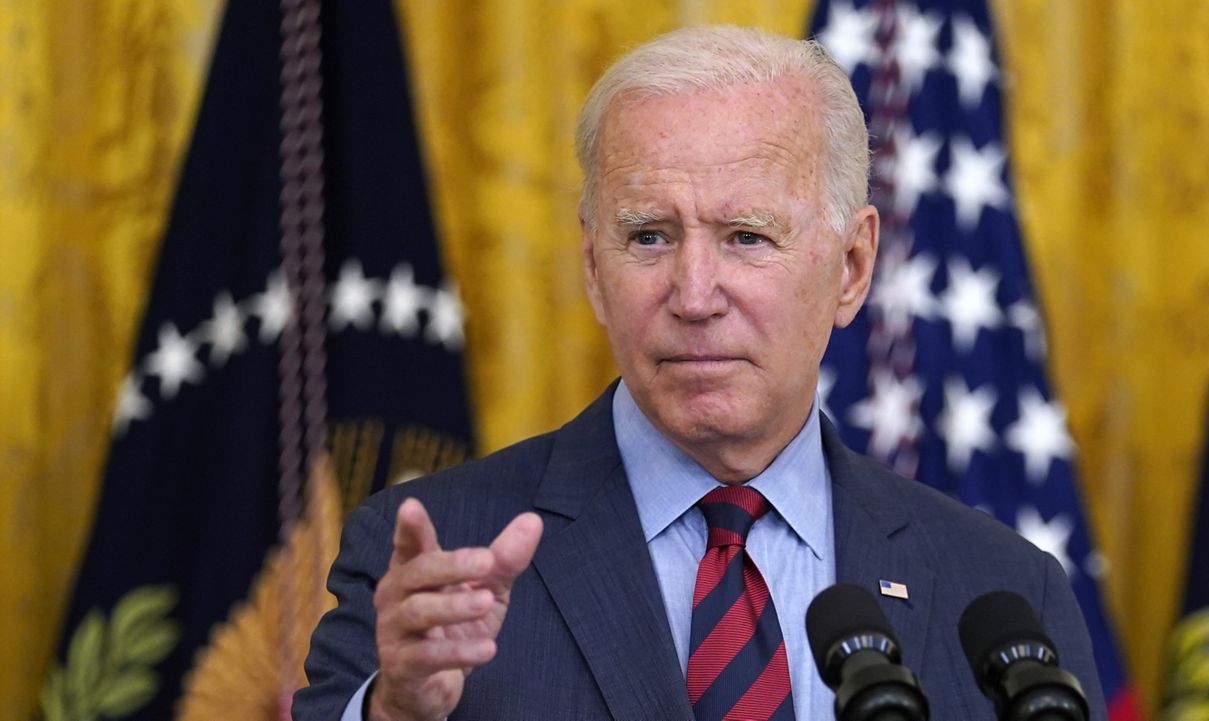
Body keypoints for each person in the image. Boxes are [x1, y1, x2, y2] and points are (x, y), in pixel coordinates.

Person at [294, 25, 1105, 721]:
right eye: (648, 236)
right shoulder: (433, 562)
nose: (692, 294)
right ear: (592, 266)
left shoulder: (1001, 591)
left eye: (747, 236)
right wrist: (395, 710)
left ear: (852, 267)